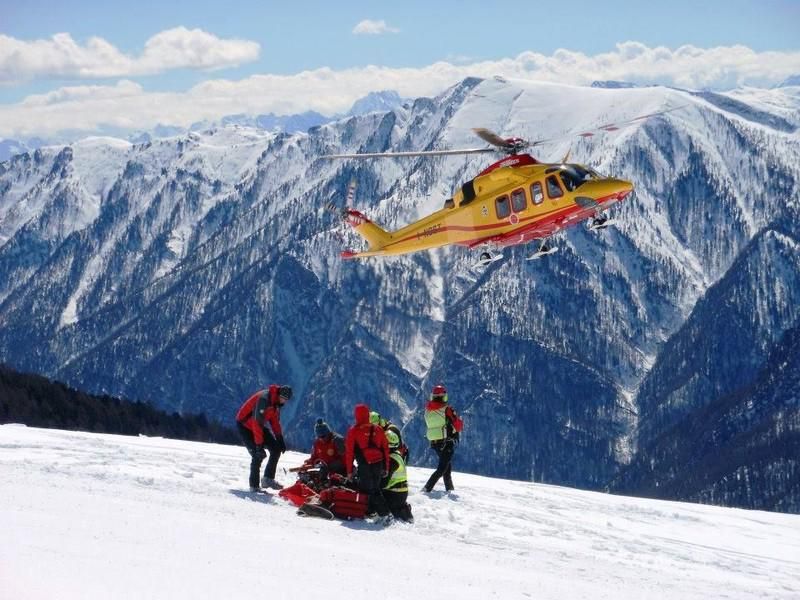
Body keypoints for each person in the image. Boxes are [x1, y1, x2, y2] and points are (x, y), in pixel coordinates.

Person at [235, 384, 292, 491]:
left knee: (276, 449)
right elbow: (256, 423)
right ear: (278, 394)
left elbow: (275, 423)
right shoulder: (264, 399)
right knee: (258, 454)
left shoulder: (276, 404)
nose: (284, 401)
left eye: (286, 399)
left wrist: (280, 439)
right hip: (245, 426)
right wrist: (259, 445)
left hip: (258, 425)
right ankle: (254, 486)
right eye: (282, 398)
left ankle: (268, 479)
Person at [344, 403, 391, 517]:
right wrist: (386, 467)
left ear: (356, 415)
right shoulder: (378, 429)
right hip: (378, 463)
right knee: (375, 488)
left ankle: (383, 513)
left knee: (366, 489)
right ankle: (373, 512)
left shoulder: (353, 431)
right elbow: (385, 449)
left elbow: (349, 453)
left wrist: (349, 471)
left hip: (364, 464)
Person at [422, 384, 464, 493]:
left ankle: (449, 489)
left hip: (435, 443)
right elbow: (458, 426)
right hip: (447, 442)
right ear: (444, 397)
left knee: (446, 467)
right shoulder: (447, 409)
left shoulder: (427, 410)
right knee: (442, 468)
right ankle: (427, 488)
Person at [382, 430, 413, 522]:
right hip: (400, 492)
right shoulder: (397, 456)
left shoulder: (391, 460)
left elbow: (384, 482)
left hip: (394, 493)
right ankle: (403, 511)